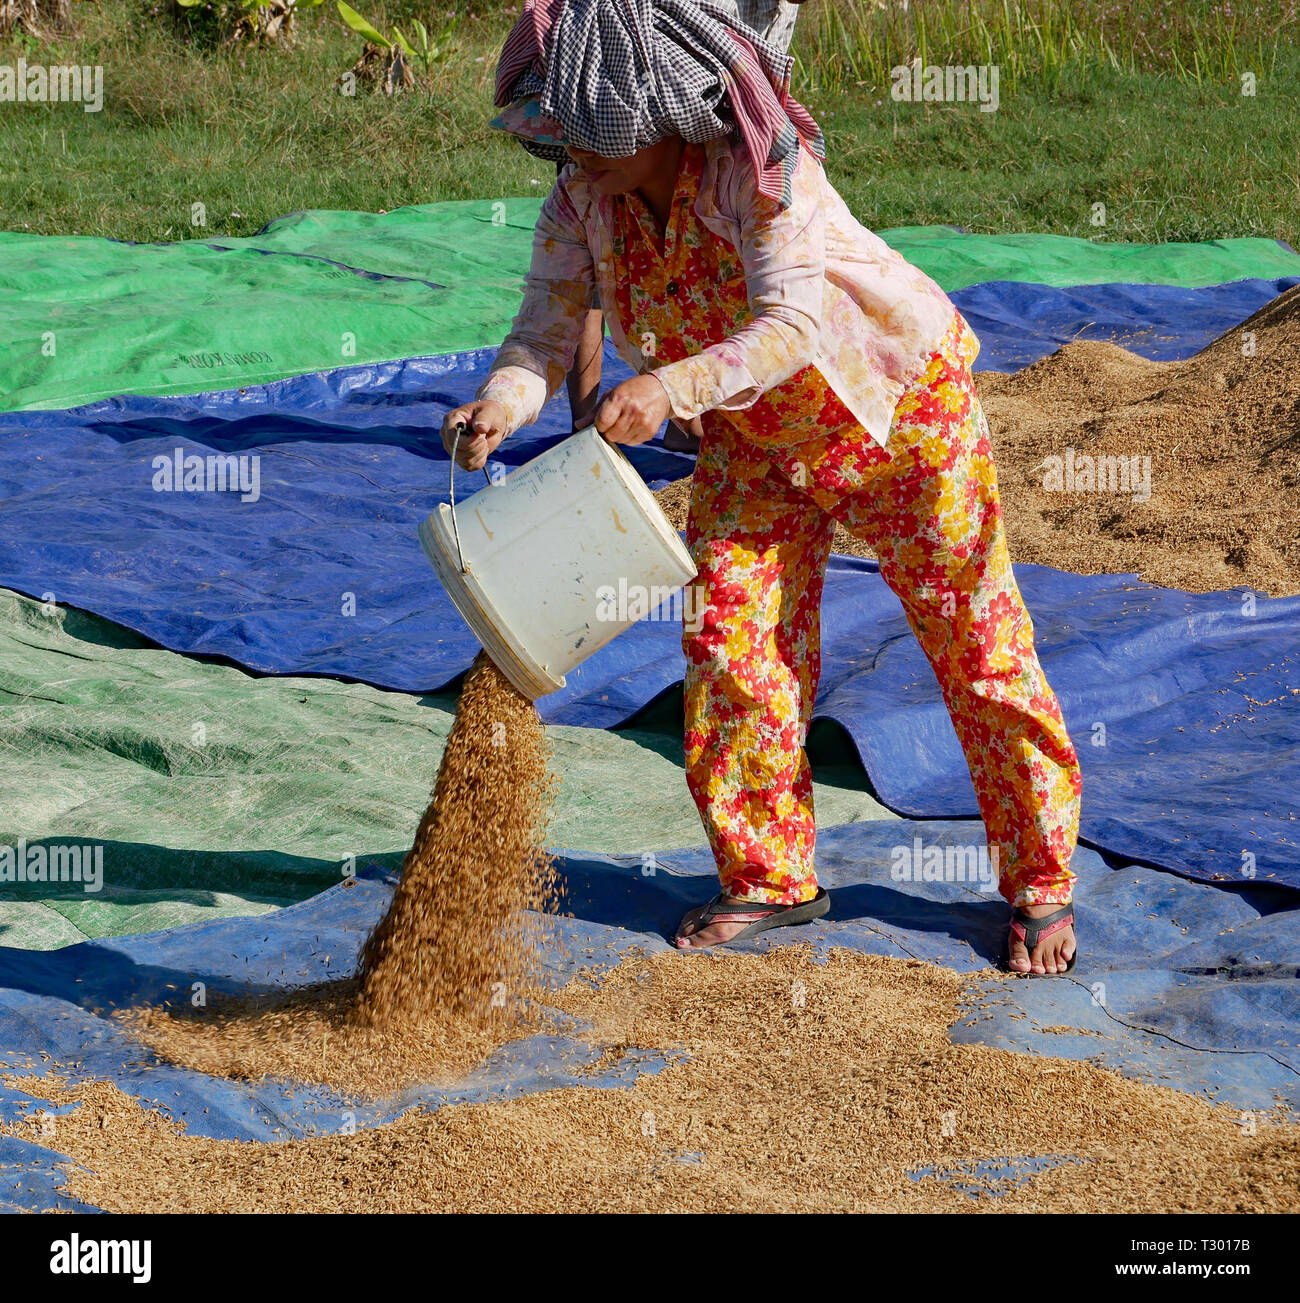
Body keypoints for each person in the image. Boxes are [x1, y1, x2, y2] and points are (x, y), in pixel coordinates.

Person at [445, 0, 1081, 975]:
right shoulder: (582, 202)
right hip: (754, 437)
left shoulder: (762, 173)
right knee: (731, 640)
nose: (569, 156)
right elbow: (542, 331)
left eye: (586, 134)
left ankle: (1039, 881)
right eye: (560, 137)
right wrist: (500, 404)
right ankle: (768, 876)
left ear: (654, 114)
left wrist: (669, 387)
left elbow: (792, 327)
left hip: (896, 412)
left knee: (973, 639)